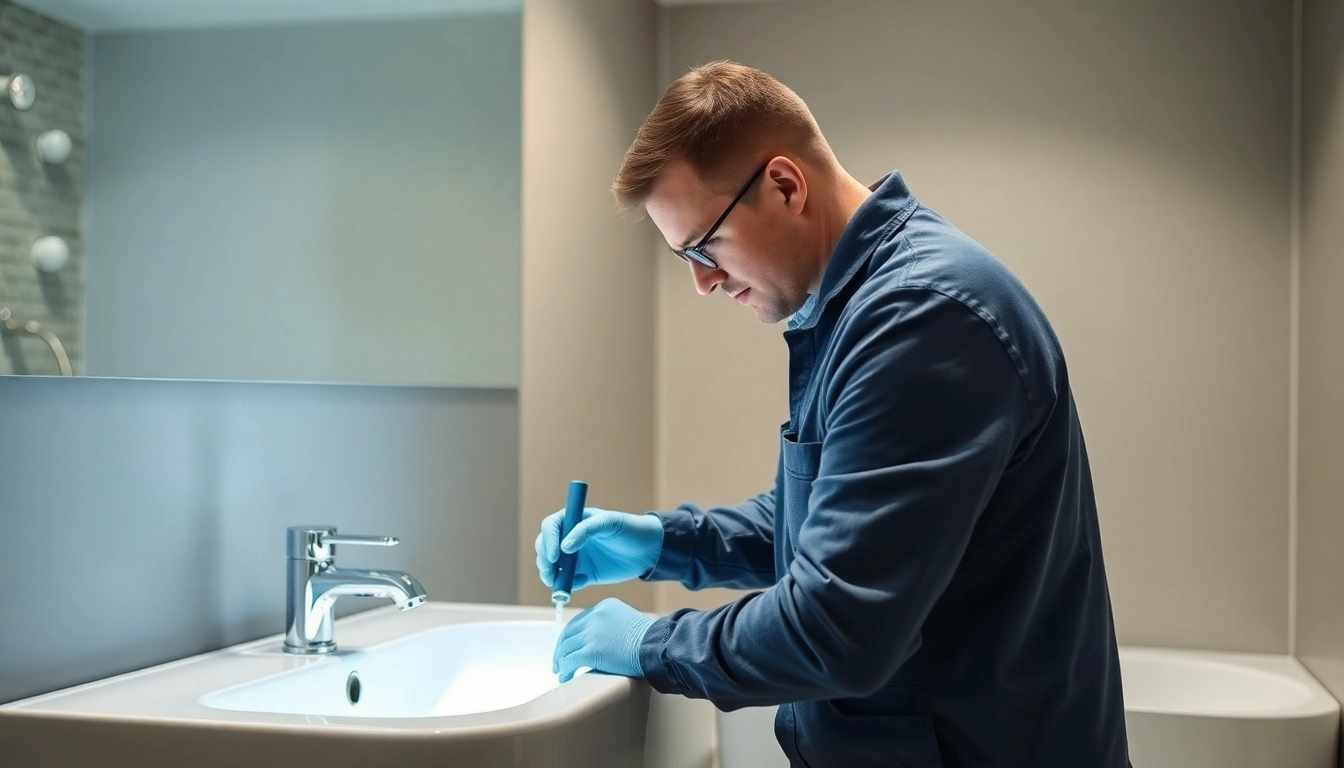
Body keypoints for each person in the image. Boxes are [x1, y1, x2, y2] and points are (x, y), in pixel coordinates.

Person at [535, 60, 1130, 768]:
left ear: (785, 186)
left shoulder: (924, 318)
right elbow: (834, 526)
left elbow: (836, 625)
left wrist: (650, 644)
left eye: (704, 246)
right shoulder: (862, 310)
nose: (701, 282)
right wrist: (663, 543)